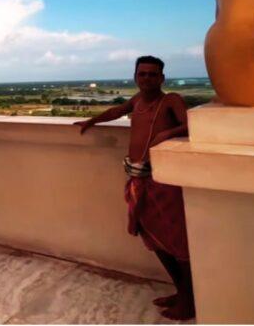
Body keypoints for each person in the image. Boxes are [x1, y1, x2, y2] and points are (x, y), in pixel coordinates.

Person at [74, 56, 193, 320]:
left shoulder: (170, 100)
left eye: (153, 74)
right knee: (155, 240)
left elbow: (190, 124)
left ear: (162, 78)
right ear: (135, 77)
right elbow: (116, 111)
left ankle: (189, 300)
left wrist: (167, 134)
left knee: (177, 243)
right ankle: (182, 292)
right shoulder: (137, 101)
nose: (147, 79)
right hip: (139, 180)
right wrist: (91, 121)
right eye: (143, 74)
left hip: (163, 182)